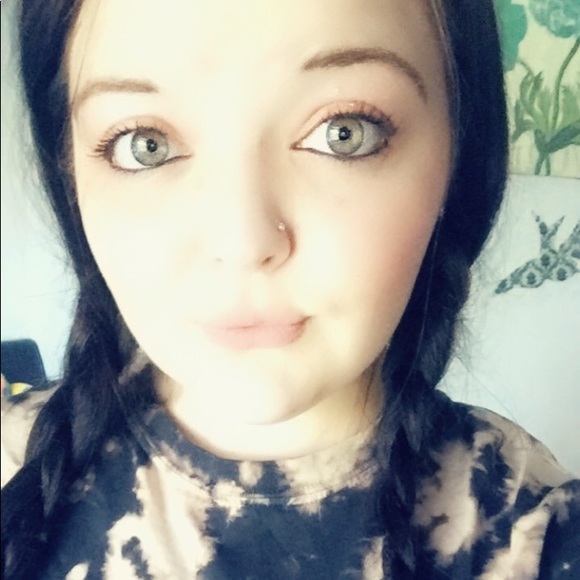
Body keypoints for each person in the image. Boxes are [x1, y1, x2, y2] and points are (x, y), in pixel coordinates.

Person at [1, 0, 579, 578]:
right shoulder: (13, 468)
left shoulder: (533, 528)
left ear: (457, 161)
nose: (243, 241)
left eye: (344, 134)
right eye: (143, 143)